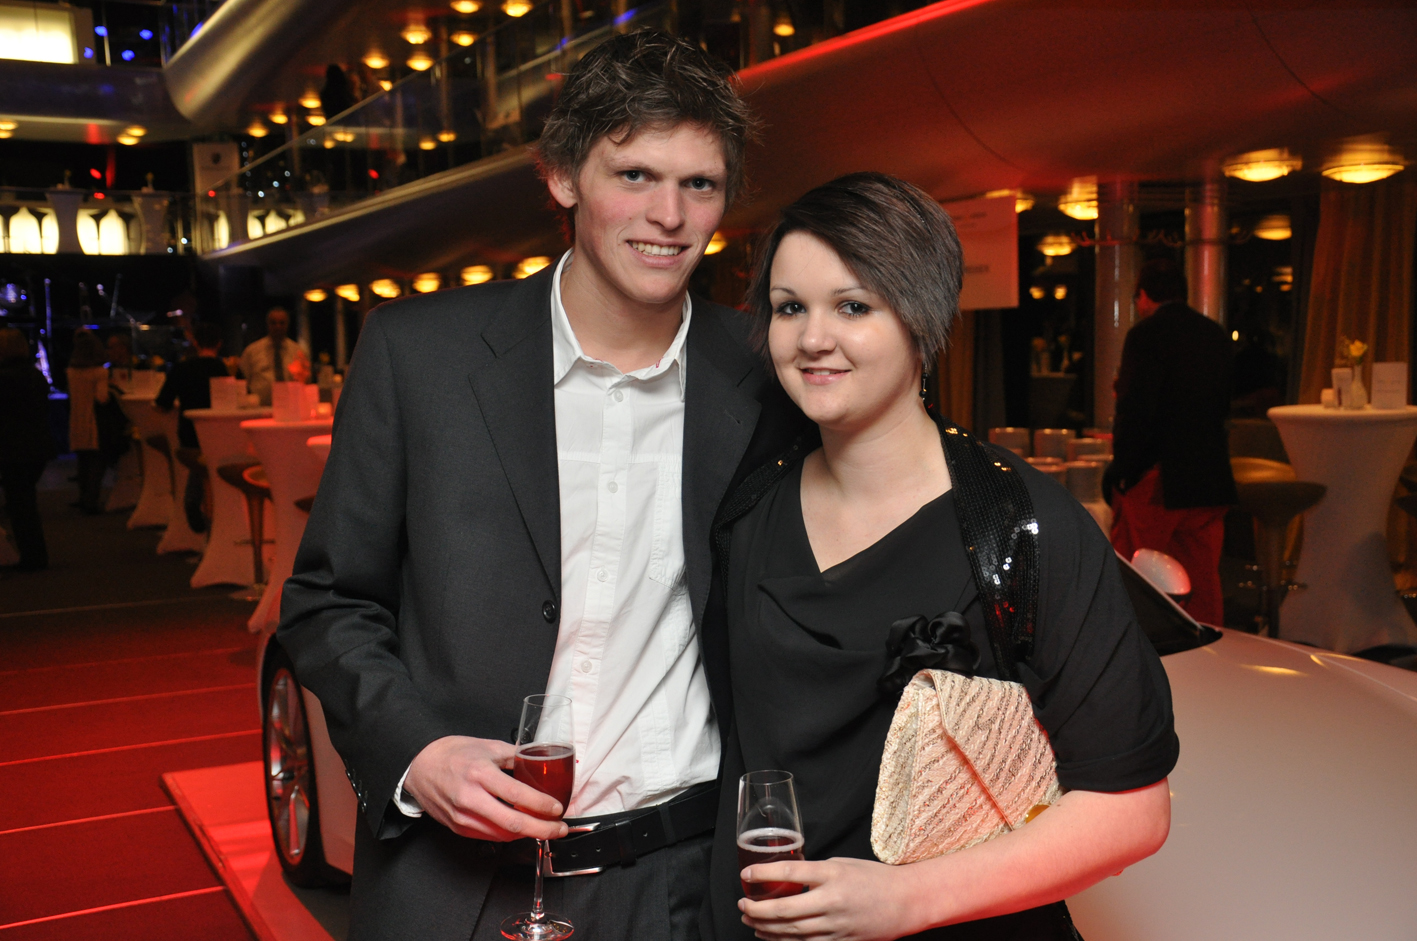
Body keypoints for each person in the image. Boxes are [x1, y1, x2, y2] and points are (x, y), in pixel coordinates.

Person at [278, 30, 801, 941]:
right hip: (460, 884)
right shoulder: (420, 354)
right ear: (561, 176)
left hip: (686, 886)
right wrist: (416, 752)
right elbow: (328, 601)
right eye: (634, 175)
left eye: (700, 184)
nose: (669, 214)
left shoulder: (765, 375)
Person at [703, 174, 1176, 940]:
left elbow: (1132, 809)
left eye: (852, 306)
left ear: (920, 319)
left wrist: (905, 898)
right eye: (789, 307)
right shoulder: (748, 510)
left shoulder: (1020, 523)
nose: (812, 338)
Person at [1106, 258, 1236, 625]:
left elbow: (1136, 410)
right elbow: (1223, 405)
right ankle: (1208, 650)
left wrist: (1121, 472)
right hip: (1209, 474)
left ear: (1144, 296)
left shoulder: (1146, 335)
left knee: (1134, 577)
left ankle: (1131, 650)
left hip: (1159, 477)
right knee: (1202, 580)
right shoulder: (1214, 334)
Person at [155, 322, 230, 532]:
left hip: (188, 434)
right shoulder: (223, 369)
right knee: (210, 459)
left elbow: (162, 403)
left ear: (195, 343)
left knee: (199, 461)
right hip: (219, 434)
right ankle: (211, 512)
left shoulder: (182, 368)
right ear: (219, 344)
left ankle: (194, 502)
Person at [0, 328, 55, 570]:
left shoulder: (4, 377)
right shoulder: (35, 375)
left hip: (13, 448)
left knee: (19, 504)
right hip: (36, 446)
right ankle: (35, 555)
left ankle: (32, 558)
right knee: (25, 503)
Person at [66, 328, 110, 515]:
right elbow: (102, 397)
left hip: (77, 417)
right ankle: (91, 499)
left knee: (82, 460)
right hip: (94, 419)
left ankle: (83, 496)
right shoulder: (100, 372)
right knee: (95, 461)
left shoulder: (71, 372)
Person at [239, 306, 310, 405]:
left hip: (291, 406)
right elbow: (243, 381)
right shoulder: (252, 351)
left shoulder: (298, 352)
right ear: (267, 324)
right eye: (273, 323)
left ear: (287, 325)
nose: (278, 327)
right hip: (260, 408)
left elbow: (305, 381)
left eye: (282, 323)